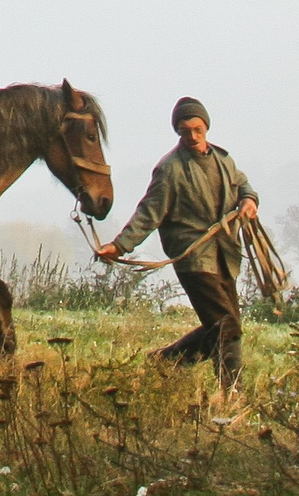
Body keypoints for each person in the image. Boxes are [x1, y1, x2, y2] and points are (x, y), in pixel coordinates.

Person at [92, 96, 259, 389]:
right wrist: (119, 246)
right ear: (178, 132)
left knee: (223, 327)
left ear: (206, 127)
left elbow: (243, 184)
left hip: (225, 254)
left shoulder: (223, 160)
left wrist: (248, 200)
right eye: (185, 131)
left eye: (197, 129)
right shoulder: (170, 169)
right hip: (193, 258)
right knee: (226, 326)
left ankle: (167, 361)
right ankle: (232, 393)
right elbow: (149, 213)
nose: (192, 136)